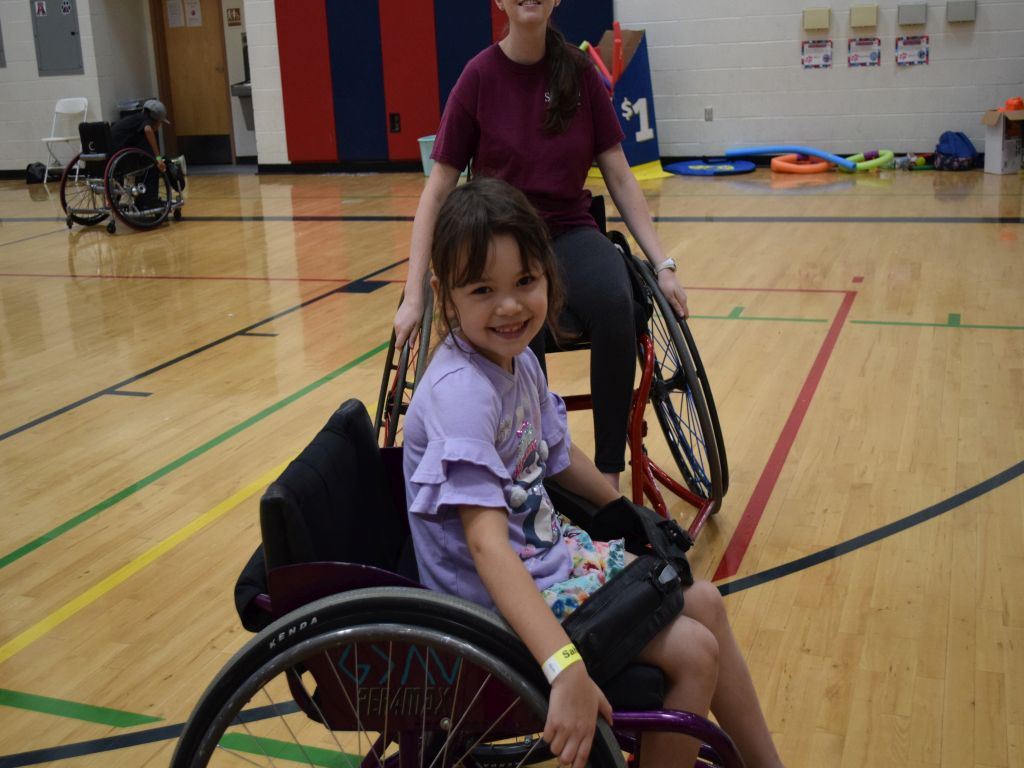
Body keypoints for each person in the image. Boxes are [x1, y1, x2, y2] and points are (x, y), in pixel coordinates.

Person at [404, 178, 783, 768]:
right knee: (695, 652)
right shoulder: (461, 397)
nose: (510, 306)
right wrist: (564, 669)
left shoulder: (518, 360)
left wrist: (622, 512)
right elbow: (487, 548)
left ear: (549, 277)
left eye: (525, 282)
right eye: (483, 289)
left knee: (703, 600)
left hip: (548, 567)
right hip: (496, 610)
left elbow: (557, 457)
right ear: (444, 296)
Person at [394, 0, 689, 492]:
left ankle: (607, 478)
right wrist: (414, 294)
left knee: (617, 300)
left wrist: (663, 263)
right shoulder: (479, 77)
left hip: (570, 232)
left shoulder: (578, 72)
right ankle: (536, 476)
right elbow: (439, 186)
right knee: (515, 321)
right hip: (503, 241)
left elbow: (618, 171)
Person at [110, 99, 170, 175]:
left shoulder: (137, 119)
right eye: (160, 122)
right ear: (156, 120)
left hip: (112, 149)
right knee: (151, 163)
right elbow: (148, 130)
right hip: (118, 153)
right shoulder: (146, 120)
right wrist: (158, 158)